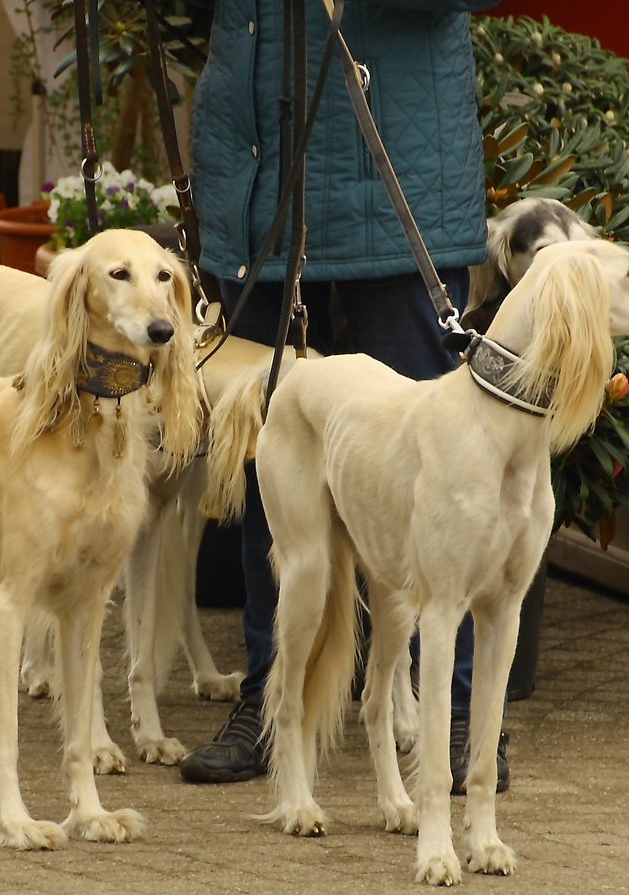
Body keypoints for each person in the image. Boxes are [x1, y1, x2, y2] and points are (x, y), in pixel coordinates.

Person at [178, 0, 506, 790]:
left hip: (391, 177)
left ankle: (454, 714)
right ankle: (272, 689)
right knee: (272, 450)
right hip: (254, 177)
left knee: (437, 464)